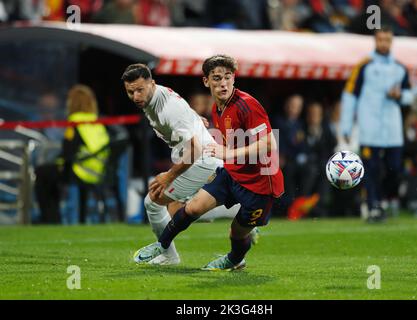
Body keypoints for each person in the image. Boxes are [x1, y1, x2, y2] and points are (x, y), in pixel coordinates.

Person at [137, 54, 284, 271]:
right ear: (206, 81)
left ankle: (235, 260)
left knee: (236, 233)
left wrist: (228, 154)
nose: (222, 83)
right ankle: (162, 245)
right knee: (193, 207)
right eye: (216, 78)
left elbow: (269, 145)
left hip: (260, 184)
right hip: (233, 173)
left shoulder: (248, 105)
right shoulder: (217, 108)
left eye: (227, 77)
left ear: (234, 78)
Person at [122, 64, 256, 266]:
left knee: (153, 201)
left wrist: (169, 176)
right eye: (130, 91)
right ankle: (244, 213)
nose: (135, 96)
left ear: (152, 84)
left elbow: (194, 150)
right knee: (181, 210)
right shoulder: (159, 94)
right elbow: (182, 109)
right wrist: (194, 118)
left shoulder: (167, 109)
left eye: (140, 89)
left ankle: (168, 256)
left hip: (199, 158)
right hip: (205, 152)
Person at [339, 26, 413, 222]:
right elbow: (349, 95)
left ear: (391, 42)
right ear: (375, 40)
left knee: (394, 169)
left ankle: (384, 200)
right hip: (370, 128)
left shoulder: (400, 68)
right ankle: (372, 205)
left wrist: (400, 96)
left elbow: (409, 95)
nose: (383, 44)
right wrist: (346, 125)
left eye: (387, 40)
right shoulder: (364, 66)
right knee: (371, 169)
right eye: (380, 40)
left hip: (392, 130)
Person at [34, 84, 110, 224]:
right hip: (98, 171)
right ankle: (53, 218)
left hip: (80, 171)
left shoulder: (75, 120)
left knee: (42, 172)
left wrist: (59, 162)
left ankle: (50, 219)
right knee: (50, 174)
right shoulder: (95, 121)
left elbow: (68, 151)